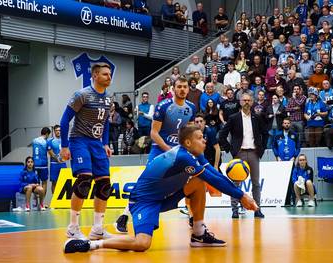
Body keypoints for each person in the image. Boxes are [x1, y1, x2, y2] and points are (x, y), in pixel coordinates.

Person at [64, 125, 258, 253]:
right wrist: (241, 196)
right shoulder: (182, 157)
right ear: (188, 142)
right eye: (200, 138)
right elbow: (211, 178)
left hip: (165, 195)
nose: (204, 140)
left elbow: (214, 176)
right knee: (142, 244)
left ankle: (199, 234)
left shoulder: (195, 155)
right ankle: (91, 244)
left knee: (199, 182)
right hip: (143, 202)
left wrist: (240, 195)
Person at [115, 77, 196, 233]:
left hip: (179, 152)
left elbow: (189, 132)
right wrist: (168, 150)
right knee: (145, 184)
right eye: (179, 86)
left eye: (185, 87)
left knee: (189, 180)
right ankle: (124, 216)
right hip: (160, 150)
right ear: (173, 88)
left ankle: (193, 217)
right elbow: (153, 133)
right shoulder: (163, 106)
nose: (182, 89)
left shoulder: (191, 107)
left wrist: (190, 148)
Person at [59, 63, 114, 240]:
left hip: (96, 143)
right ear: (95, 76)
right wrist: (64, 146)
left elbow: (106, 123)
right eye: (105, 74)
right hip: (79, 141)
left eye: (110, 74)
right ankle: (73, 227)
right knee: (84, 180)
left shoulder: (108, 99)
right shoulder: (81, 95)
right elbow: (64, 121)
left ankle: (97, 228)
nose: (109, 77)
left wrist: (105, 144)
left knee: (104, 184)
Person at [219, 93, 268, 219]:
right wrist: (230, 149)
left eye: (249, 100)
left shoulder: (257, 117)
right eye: (244, 100)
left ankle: (257, 209)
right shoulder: (234, 117)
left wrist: (261, 149)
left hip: (253, 153)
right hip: (239, 153)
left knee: (256, 183)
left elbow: (265, 133)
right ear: (240, 102)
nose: (246, 102)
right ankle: (234, 210)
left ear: (252, 102)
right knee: (236, 183)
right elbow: (222, 135)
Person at [47, 125, 67, 194]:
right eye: (57, 130)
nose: (59, 132)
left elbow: (67, 151)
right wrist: (57, 158)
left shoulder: (64, 140)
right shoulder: (50, 141)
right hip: (54, 164)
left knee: (64, 182)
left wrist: (65, 158)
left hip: (63, 164)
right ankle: (54, 200)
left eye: (60, 130)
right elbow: (50, 152)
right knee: (54, 182)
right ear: (54, 131)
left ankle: (62, 201)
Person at [32, 127, 50, 196]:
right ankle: (42, 202)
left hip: (35, 165)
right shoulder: (46, 142)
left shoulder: (34, 140)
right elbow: (50, 152)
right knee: (44, 183)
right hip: (43, 165)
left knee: (36, 183)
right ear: (47, 134)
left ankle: (36, 203)